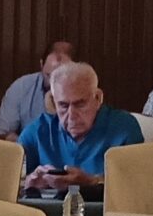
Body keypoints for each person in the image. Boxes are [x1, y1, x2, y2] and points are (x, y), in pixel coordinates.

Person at [18, 63, 143, 198]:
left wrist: (92, 183)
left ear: (98, 98)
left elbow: (139, 186)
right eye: (63, 105)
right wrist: (28, 183)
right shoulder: (37, 131)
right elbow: (10, 182)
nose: (72, 115)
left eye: (80, 104)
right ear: (53, 103)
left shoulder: (124, 128)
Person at [0, 40, 73, 140]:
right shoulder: (22, 86)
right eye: (48, 75)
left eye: (61, 77)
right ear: (41, 64)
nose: (53, 83)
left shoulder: (85, 93)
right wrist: (10, 138)